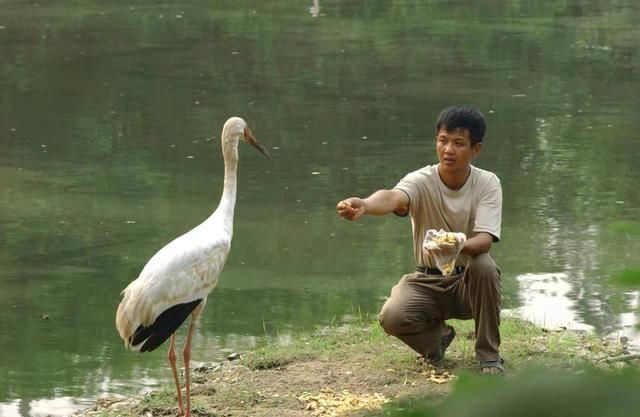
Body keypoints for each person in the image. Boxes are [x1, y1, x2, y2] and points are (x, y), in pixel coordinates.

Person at [336, 106, 504, 373]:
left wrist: (455, 245)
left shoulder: (487, 183)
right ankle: (437, 340)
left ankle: (489, 356)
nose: (448, 149)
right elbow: (393, 198)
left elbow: (484, 240)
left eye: (458, 143)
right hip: (428, 280)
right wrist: (365, 205)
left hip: (467, 284)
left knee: (483, 264)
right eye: (443, 140)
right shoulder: (420, 180)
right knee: (392, 317)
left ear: (476, 150)